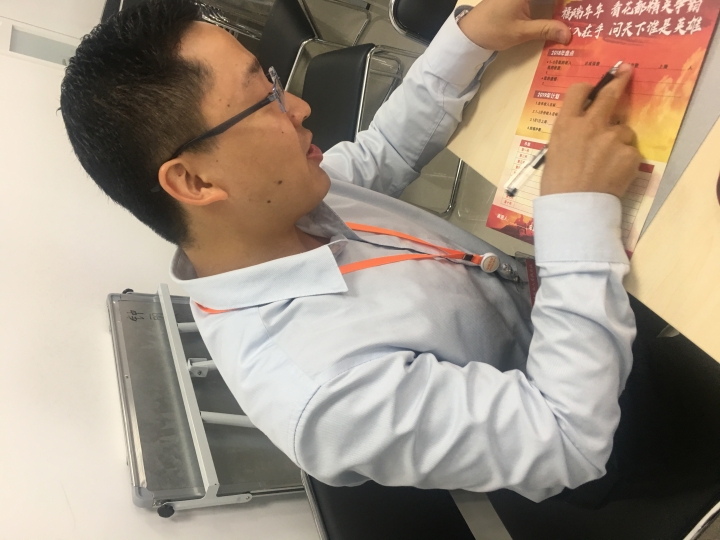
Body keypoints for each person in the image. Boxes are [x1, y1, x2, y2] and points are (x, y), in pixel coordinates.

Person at [60, 0, 640, 502]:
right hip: (606, 417)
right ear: (194, 181)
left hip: (571, 305)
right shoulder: (321, 392)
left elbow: (382, 150)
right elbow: (568, 438)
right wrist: (575, 207)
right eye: (262, 101)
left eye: (272, 81)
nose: (299, 107)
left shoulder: (280, 206)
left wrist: (468, 39)